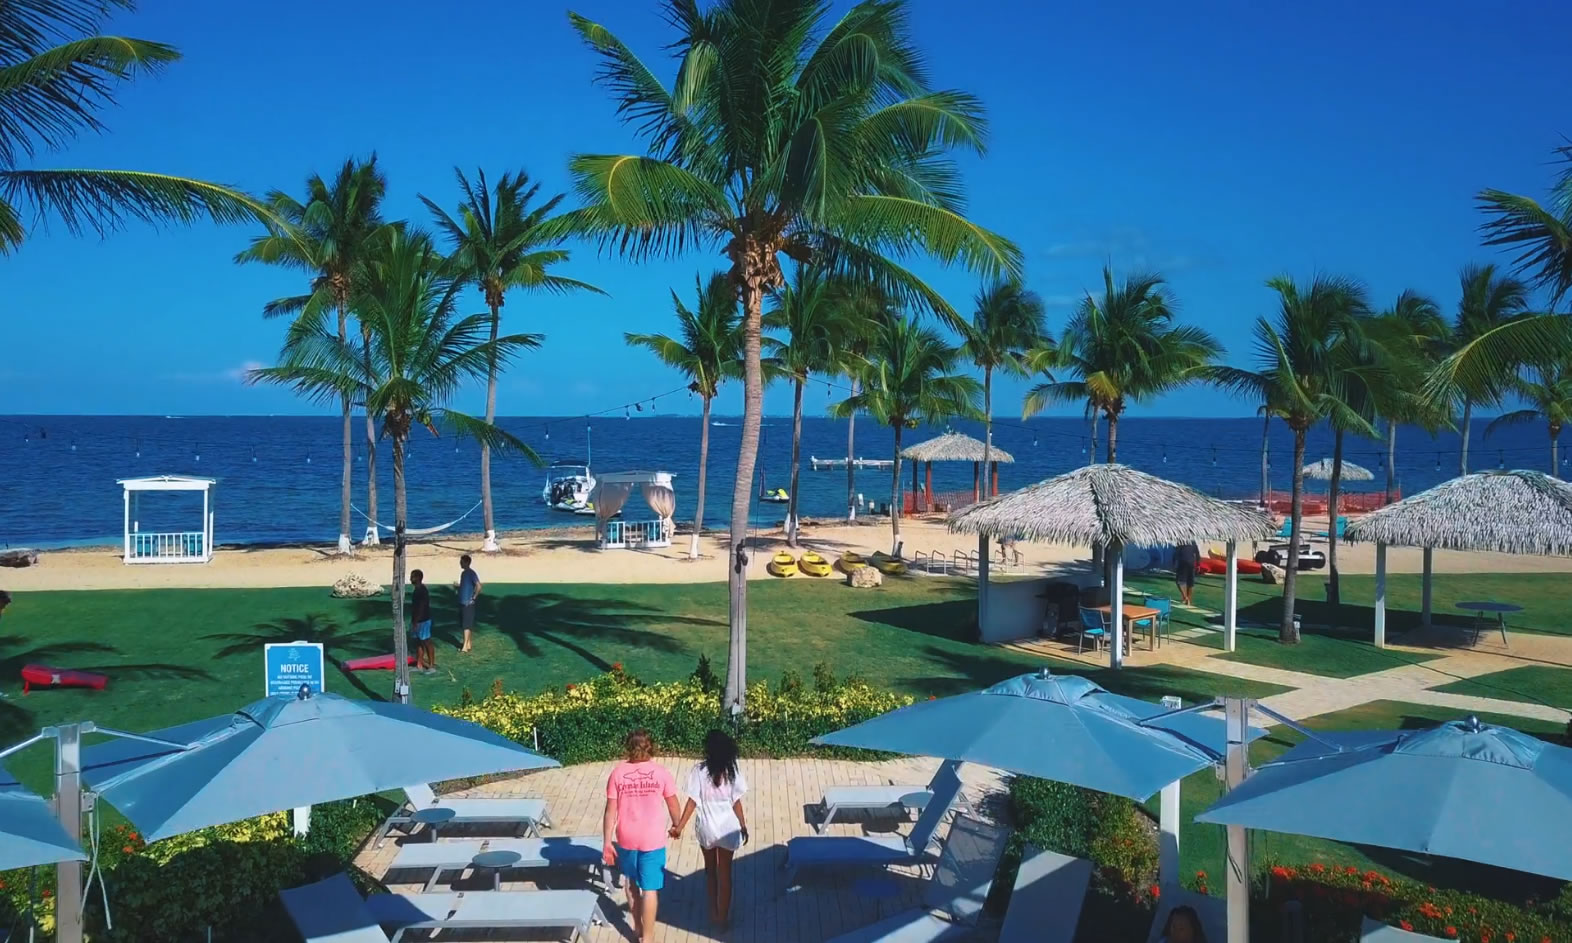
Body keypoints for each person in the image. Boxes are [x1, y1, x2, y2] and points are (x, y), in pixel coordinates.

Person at [603, 729, 680, 943]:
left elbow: (610, 811)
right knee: (650, 889)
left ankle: (636, 926)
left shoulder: (617, 773)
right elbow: (673, 804)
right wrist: (677, 826)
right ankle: (648, 937)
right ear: (651, 747)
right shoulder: (661, 773)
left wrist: (607, 842)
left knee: (631, 884)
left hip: (627, 838)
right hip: (653, 838)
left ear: (628, 747)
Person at [671, 729, 749, 927]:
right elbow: (736, 802)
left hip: (706, 828)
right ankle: (722, 919)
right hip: (728, 828)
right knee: (725, 874)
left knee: (710, 871)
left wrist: (679, 827)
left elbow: (692, 802)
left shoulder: (699, 771)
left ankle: (712, 910)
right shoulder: (733, 771)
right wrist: (743, 825)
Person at [409, 569, 434, 673]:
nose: (411, 579)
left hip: (423, 620)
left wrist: (416, 621)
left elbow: (421, 607)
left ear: (418, 578)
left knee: (426, 641)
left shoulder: (422, 591)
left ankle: (432, 665)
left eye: (413, 577)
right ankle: (419, 664)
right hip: (417, 620)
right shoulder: (417, 590)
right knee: (419, 642)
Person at [457, 554, 481, 653]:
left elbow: (478, 586)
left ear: (467, 562)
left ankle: (464, 647)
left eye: (462, 561)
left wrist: (474, 597)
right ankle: (468, 643)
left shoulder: (471, 573)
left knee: (466, 625)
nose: (460, 563)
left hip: (468, 603)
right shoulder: (463, 574)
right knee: (466, 624)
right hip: (462, 602)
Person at [1174, 541, 1200, 606]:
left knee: (1179, 581)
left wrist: (1174, 564)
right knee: (1190, 582)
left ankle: (1185, 597)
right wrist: (1198, 564)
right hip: (1191, 563)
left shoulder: (1180, 542)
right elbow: (1197, 554)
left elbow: (1176, 554)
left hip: (1183, 562)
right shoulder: (1193, 542)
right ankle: (1189, 599)